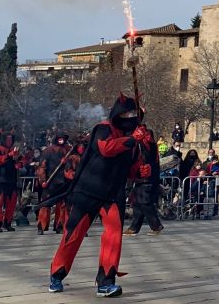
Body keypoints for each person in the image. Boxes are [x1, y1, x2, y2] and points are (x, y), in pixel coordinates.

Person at [47, 93, 149, 297]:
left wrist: (139, 172)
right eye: (128, 113)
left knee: (113, 237)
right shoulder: (103, 129)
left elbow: (130, 168)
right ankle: (57, 275)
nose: (130, 117)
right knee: (73, 234)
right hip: (88, 190)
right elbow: (106, 149)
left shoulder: (135, 139)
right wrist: (131, 140)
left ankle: (105, 281)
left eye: (134, 114)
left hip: (113, 194)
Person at [125, 125, 163, 236]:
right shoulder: (147, 145)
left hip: (146, 177)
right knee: (138, 203)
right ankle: (134, 227)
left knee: (144, 202)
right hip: (143, 176)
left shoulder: (147, 145)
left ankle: (156, 225)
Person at [0, 132, 22, 233]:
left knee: (11, 203)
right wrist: (9, 155)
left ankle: (7, 223)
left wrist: (19, 163)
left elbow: (21, 161)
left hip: (12, 180)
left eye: (11, 139)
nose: (10, 141)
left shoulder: (15, 150)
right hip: (1, 180)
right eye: (8, 139)